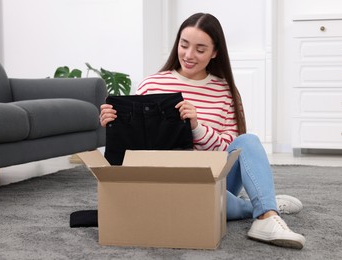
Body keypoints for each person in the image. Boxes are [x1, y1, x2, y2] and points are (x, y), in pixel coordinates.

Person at [100, 13, 306, 249]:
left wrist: (196, 128)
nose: (188, 55)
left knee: (248, 141)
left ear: (215, 52)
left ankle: (266, 219)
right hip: (169, 180)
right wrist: (114, 126)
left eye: (200, 49)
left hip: (215, 177)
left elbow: (231, 149)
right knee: (202, 202)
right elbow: (137, 149)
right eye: (184, 45)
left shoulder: (225, 91)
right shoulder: (151, 84)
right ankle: (264, 205)